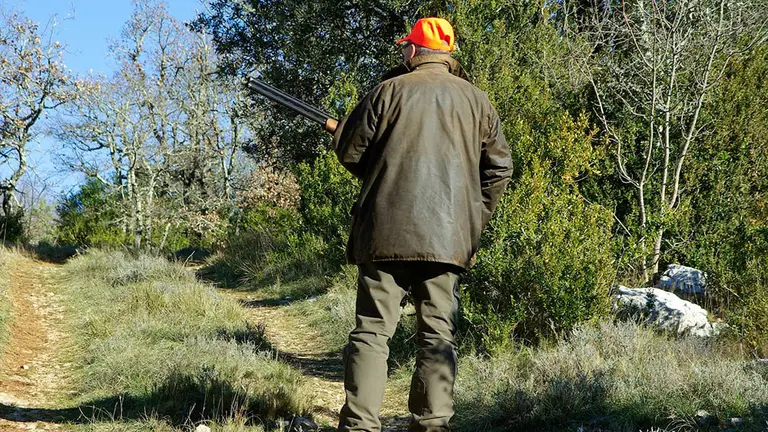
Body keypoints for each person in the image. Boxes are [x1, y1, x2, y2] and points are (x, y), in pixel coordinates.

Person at [331, 17, 512, 432]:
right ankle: (432, 424)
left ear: (413, 50)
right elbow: (499, 170)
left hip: (383, 235)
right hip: (449, 240)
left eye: (405, 48)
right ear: (448, 54)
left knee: (373, 333)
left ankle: (360, 425)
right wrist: (472, 219)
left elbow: (352, 153)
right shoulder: (478, 101)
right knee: (437, 335)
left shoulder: (387, 91)